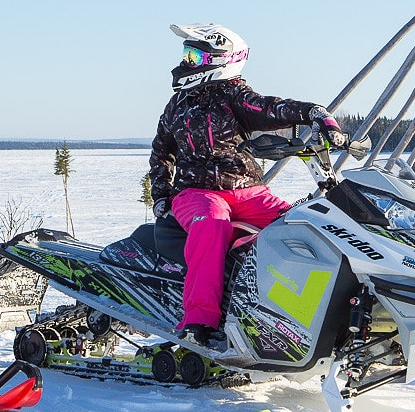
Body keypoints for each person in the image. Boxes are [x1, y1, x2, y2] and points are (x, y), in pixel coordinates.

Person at [148, 23, 346, 348]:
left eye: (195, 55)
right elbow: (161, 153)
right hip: (196, 193)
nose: (187, 62)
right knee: (212, 225)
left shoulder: (234, 96)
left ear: (221, 60)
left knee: (306, 221)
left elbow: (272, 108)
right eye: (187, 54)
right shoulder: (177, 105)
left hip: (248, 190)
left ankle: (325, 312)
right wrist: (161, 195)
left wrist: (315, 113)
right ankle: (199, 321)